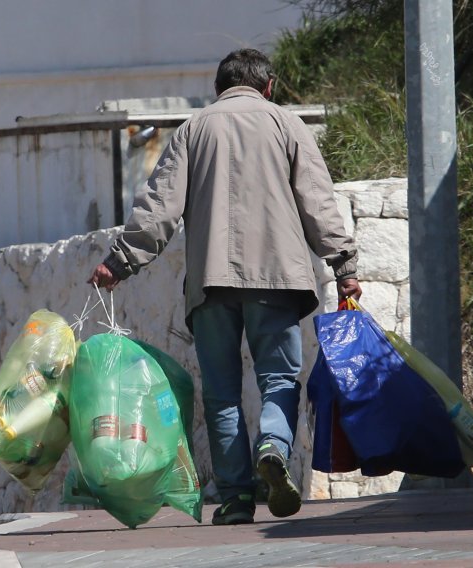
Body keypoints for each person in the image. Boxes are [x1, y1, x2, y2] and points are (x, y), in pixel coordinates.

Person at [88, 48, 361, 525]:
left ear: (219, 88)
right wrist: (344, 266)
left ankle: (235, 499)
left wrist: (121, 260)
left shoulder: (195, 129)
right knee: (277, 379)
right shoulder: (286, 125)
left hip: (211, 284)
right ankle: (272, 446)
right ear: (269, 86)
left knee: (221, 394)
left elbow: (160, 207)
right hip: (277, 281)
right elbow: (318, 203)